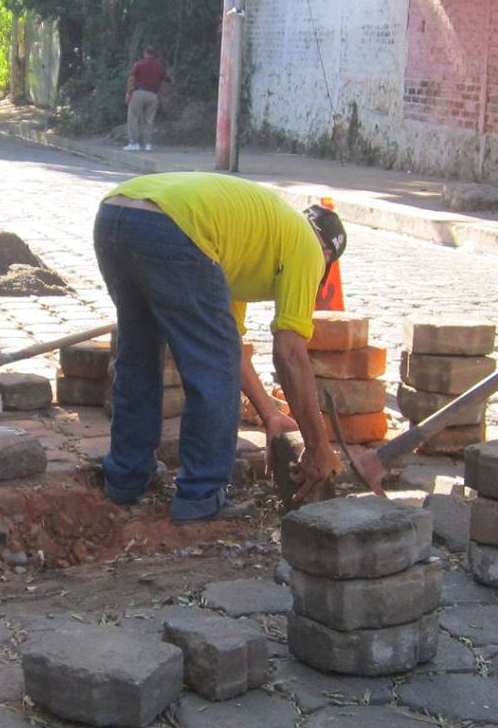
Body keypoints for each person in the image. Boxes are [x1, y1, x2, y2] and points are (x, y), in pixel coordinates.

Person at [92, 172, 346, 520]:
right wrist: (318, 447)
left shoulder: (256, 238)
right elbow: (288, 354)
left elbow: (233, 351)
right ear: (327, 255)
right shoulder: (308, 249)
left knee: (139, 357)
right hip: (174, 225)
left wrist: (271, 414)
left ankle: (125, 479)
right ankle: (201, 497)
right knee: (211, 371)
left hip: (116, 215)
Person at [125, 46, 169, 152]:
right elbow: (164, 84)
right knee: (149, 120)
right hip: (153, 95)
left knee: (134, 117)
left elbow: (131, 78)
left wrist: (128, 92)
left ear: (145, 53)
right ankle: (148, 144)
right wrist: (164, 97)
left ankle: (134, 143)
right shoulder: (160, 67)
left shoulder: (139, 64)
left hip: (139, 93)